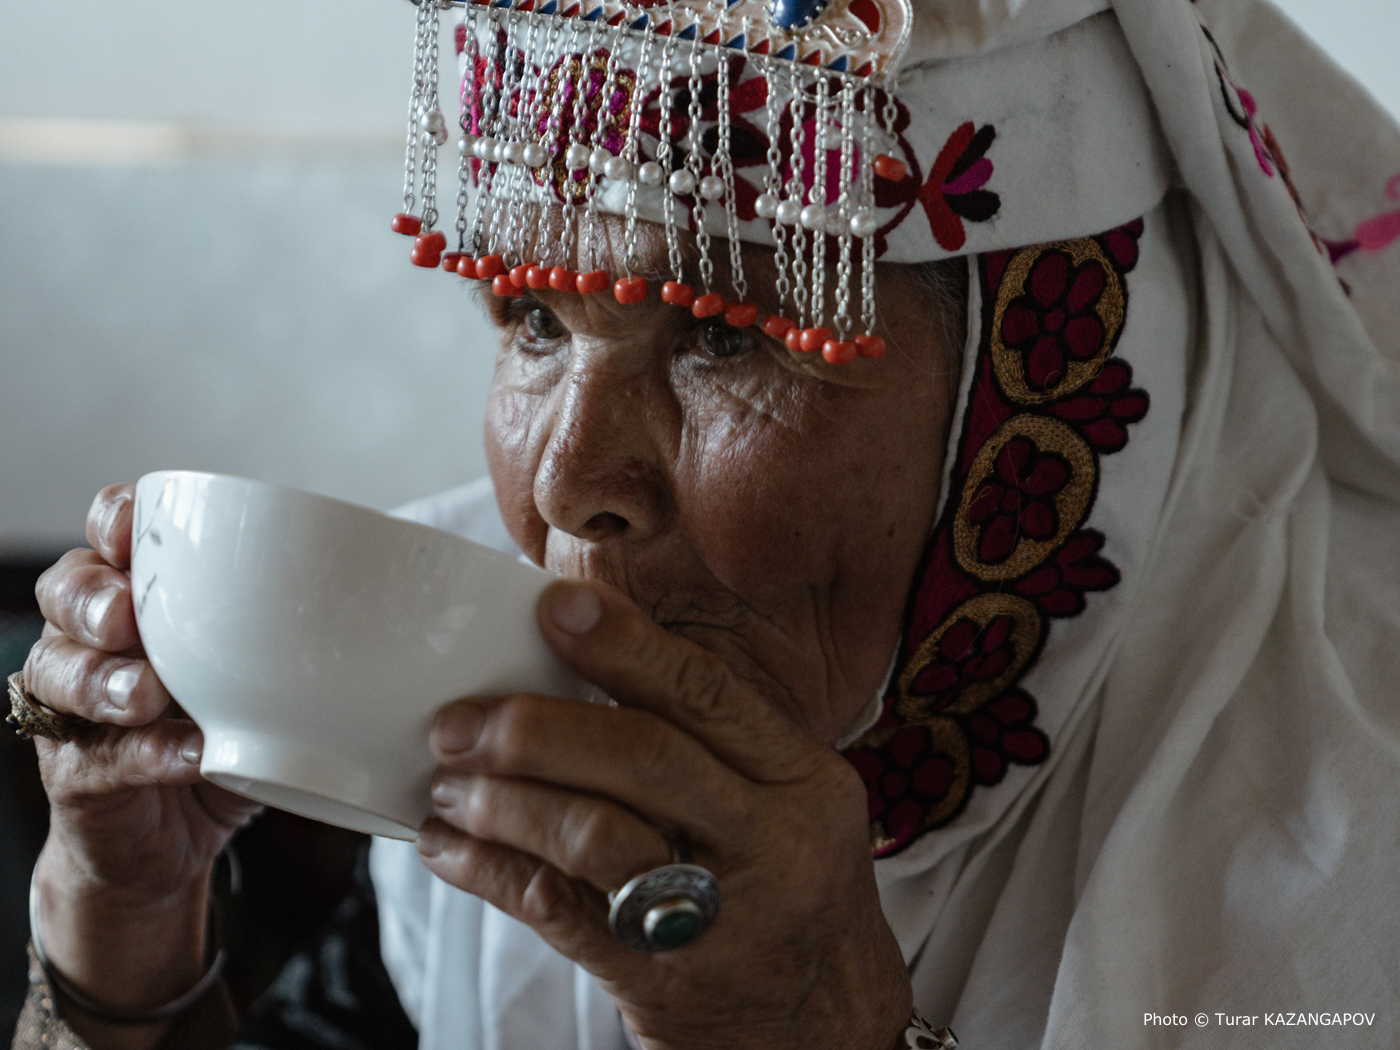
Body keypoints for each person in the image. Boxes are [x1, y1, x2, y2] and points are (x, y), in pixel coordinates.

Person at [9, 0, 1400, 1047]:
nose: (564, 485)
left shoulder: (1347, 877)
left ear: (1052, 372)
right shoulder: (476, 724)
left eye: (729, 341)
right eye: (534, 321)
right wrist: (117, 936)